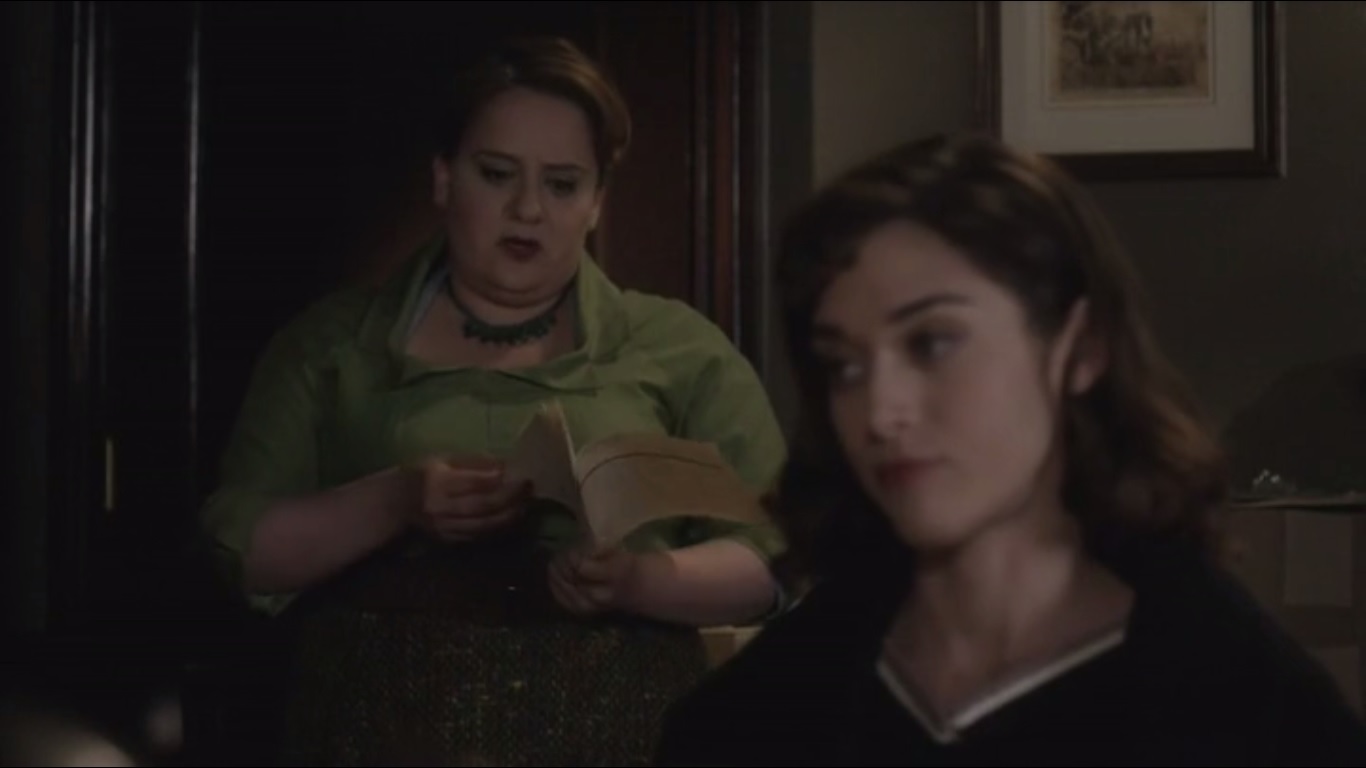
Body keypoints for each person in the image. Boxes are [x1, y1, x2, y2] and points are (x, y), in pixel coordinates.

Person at [654, 134, 1366, 767]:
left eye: (933, 343)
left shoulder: (1244, 706)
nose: (881, 410)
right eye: (844, 365)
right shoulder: (753, 717)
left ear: (1079, 349)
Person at [197, 36, 787, 765]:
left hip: (624, 732)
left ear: (597, 201)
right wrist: (396, 501)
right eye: (498, 174)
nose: (527, 209)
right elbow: (239, 547)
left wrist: (636, 582)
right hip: (374, 731)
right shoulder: (332, 345)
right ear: (444, 178)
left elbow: (774, 557)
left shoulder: (679, 348)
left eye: (562, 184)